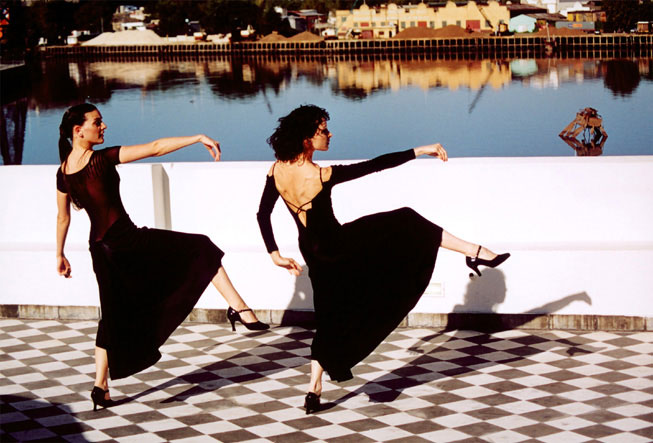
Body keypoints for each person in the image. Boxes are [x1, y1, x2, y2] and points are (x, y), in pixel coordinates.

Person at [256, 105, 509, 414]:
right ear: (307, 139)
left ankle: (313, 390)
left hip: (313, 252)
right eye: (323, 130)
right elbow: (375, 165)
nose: (330, 134)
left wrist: (275, 254)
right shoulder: (320, 175)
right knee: (407, 220)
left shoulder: (276, 170)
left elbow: (262, 214)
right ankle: (475, 251)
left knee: (329, 317)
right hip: (338, 246)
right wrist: (419, 150)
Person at [55, 103, 268, 412]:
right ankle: (241, 309)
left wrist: (59, 253)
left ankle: (100, 386)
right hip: (125, 240)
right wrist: (197, 137)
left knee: (112, 315)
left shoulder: (63, 172)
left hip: (99, 249)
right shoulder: (101, 159)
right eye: (97, 122)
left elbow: (63, 217)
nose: (104, 127)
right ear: (79, 130)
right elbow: (155, 148)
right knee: (202, 247)